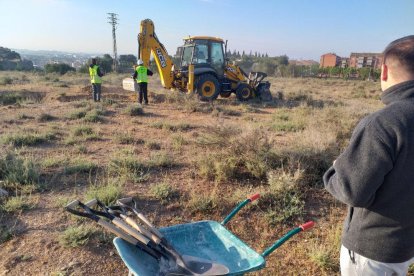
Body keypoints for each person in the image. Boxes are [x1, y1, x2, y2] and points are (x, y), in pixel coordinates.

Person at [323, 35, 414, 275]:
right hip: (404, 245)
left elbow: (353, 190)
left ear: (383, 71)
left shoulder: (385, 124)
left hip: (372, 253)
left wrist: (336, 169)